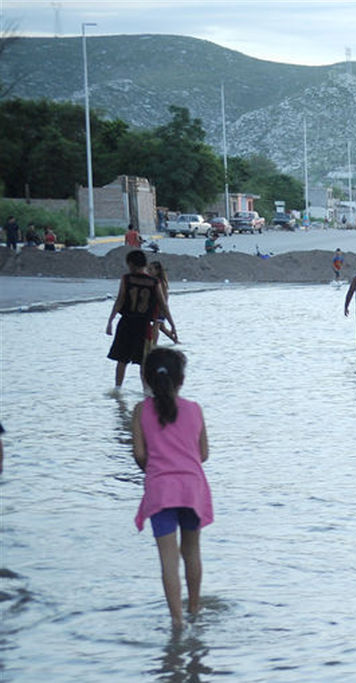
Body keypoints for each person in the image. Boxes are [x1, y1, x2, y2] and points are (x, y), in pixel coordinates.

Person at [131, 347, 213, 628]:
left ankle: (177, 622)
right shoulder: (194, 409)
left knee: (168, 559)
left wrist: (157, 468)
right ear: (181, 380)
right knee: (192, 552)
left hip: (161, 491)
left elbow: (140, 455)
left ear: (147, 379)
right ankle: (194, 609)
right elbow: (203, 454)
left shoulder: (141, 411)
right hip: (192, 489)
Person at [107, 250, 175, 390]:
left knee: (122, 359)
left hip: (126, 323)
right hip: (144, 326)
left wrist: (110, 321)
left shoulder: (127, 279)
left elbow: (119, 301)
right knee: (144, 362)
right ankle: (146, 393)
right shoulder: (153, 282)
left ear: (131, 264)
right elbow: (163, 305)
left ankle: (117, 390)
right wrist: (173, 325)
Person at [148, 261, 179, 344]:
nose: (149, 271)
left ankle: (153, 346)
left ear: (157, 271)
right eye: (148, 269)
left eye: (151, 269)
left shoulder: (160, 282)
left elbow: (164, 298)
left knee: (156, 327)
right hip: (155, 307)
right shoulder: (153, 281)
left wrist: (164, 310)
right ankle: (176, 341)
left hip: (159, 308)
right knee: (161, 327)